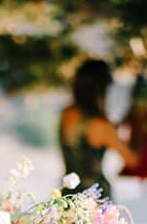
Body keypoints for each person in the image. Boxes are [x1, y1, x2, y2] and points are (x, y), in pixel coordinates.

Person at [59, 59, 139, 198]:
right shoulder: (100, 125)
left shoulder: (67, 114)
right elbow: (133, 160)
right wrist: (138, 121)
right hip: (94, 198)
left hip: (68, 196)